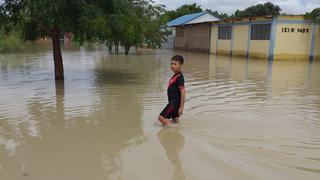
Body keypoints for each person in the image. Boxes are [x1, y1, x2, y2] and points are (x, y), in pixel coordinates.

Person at [158, 55, 185, 127]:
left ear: (180, 65)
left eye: (175, 64)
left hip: (174, 103)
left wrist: (181, 107)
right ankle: (177, 132)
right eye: (171, 64)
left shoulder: (179, 77)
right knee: (175, 120)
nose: (172, 66)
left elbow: (183, 92)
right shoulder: (176, 75)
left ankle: (172, 130)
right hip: (173, 102)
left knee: (161, 117)